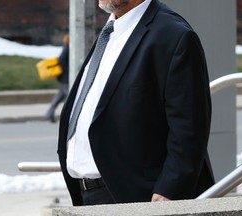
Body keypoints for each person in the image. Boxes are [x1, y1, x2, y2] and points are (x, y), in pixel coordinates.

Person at [58, 0, 214, 206]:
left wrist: (170, 190)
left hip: (138, 197)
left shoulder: (173, 35)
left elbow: (189, 127)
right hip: (88, 195)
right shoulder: (112, 30)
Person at [45, 34, 69, 122]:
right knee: (71, 98)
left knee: (59, 97)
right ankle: (70, 116)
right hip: (66, 77)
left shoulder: (67, 47)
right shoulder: (68, 48)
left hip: (64, 77)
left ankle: (49, 114)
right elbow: (61, 60)